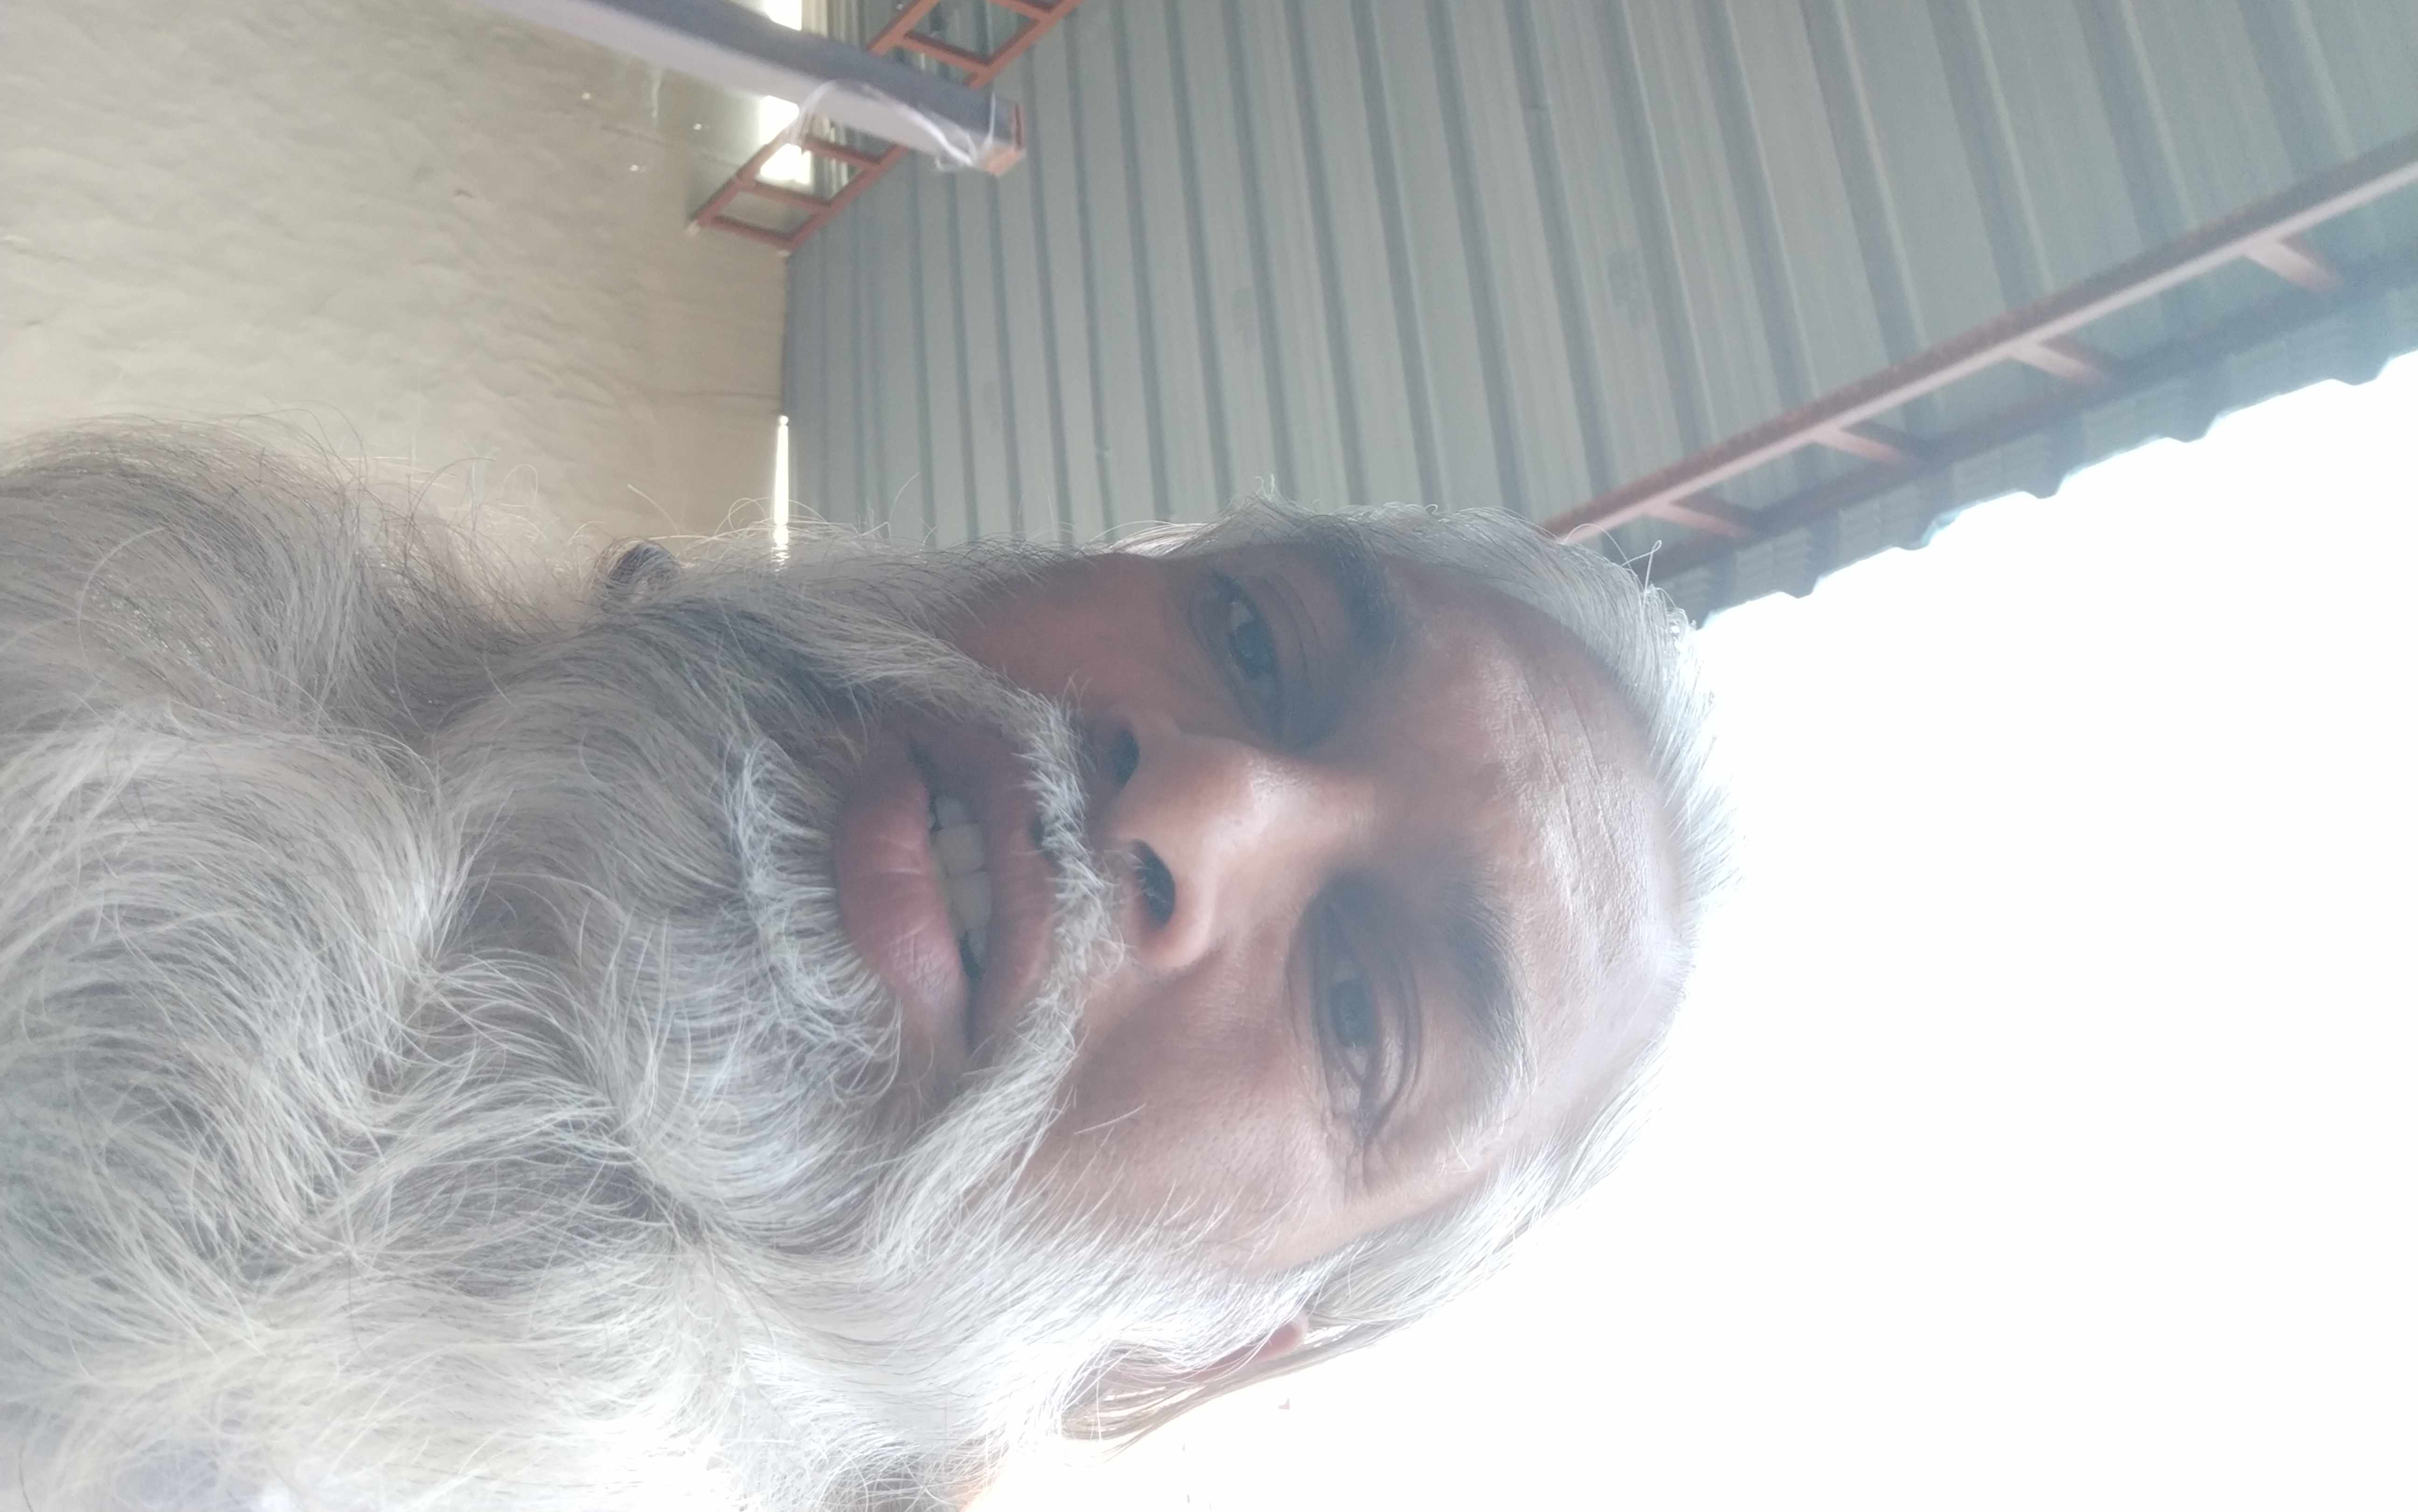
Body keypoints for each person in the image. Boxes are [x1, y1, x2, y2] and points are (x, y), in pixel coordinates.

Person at [0, 428, 1731, 1512]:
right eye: (1251, 637)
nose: (1201, 800)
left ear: (1196, 1353)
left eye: (1360, 1011)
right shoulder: (133, 599)